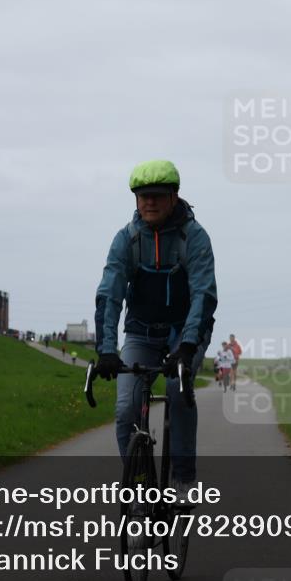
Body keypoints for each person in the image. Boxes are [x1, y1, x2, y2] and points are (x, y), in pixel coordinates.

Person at [94, 160, 216, 501]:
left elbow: (204, 295)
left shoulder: (194, 237)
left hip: (184, 332)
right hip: (141, 332)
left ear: (174, 197)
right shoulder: (127, 239)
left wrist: (189, 345)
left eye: (158, 196)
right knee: (124, 410)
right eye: (143, 195)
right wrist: (105, 350)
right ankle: (138, 488)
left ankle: (182, 477)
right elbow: (109, 294)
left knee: (178, 390)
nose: (149, 202)